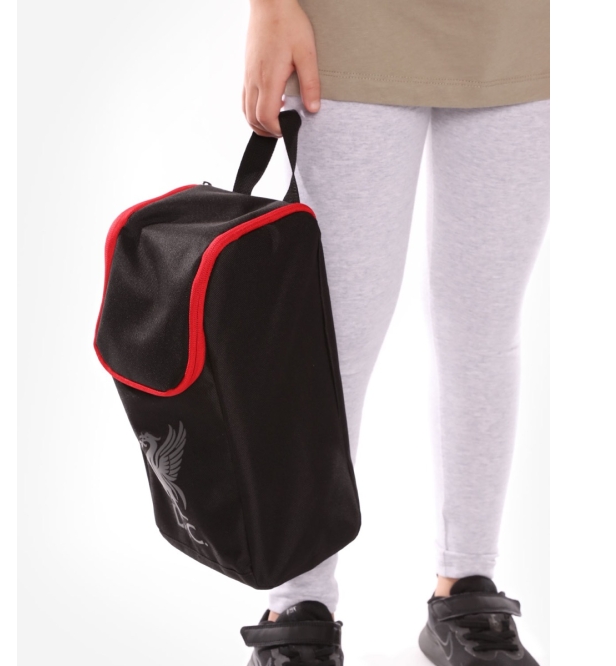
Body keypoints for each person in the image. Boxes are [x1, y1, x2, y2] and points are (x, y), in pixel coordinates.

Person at [239, 1, 549, 664]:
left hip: (520, 32)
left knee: (484, 330)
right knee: (333, 341)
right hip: (348, 26)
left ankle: (467, 582)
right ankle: (298, 601)